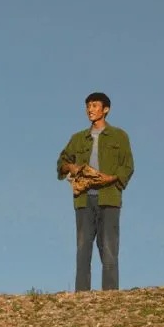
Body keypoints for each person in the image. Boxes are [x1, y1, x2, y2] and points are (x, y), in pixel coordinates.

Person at [56, 92, 134, 292]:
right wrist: (71, 168)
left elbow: (127, 166)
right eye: (88, 106)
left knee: (109, 248)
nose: (90, 109)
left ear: (105, 109)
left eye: (95, 105)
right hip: (83, 200)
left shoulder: (119, 136)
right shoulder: (78, 138)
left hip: (109, 198)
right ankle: (82, 294)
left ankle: (110, 295)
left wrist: (113, 178)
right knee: (83, 248)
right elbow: (61, 163)